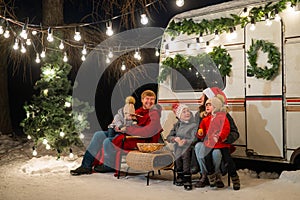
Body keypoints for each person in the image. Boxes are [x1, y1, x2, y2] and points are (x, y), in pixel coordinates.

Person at [70, 90, 161, 175]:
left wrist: (127, 129)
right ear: (142, 100)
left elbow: (148, 131)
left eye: (152, 99)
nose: (149, 101)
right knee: (98, 135)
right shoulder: (138, 111)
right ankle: (86, 166)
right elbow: (129, 121)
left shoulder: (154, 114)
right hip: (129, 133)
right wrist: (117, 125)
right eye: (147, 99)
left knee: (108, 141)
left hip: (140, 139)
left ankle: (109, 165)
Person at [194, 87, 239, 188]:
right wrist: (199, 135)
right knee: (198, 147)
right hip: (206, 142)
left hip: (219, 142)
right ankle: (204, 174)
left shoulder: (224, 116)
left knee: (216, 152)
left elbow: (234, 132)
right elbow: (197, 131)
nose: (200, 99)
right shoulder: (200, 115)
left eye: (203, 96)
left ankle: (217, 174)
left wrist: (223, 139)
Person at [167, 103, 198, 190]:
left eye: (188, 111)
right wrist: (175, 139)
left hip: (189, 146)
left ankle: (187, 177)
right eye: (184, 112)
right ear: (179, 115)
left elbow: (194, 138)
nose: (187, 113)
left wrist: (186, 141)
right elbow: (169, 137)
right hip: (178, 146)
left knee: (185, 154)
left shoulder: (193, 125)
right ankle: (180, 174)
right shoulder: (177, 125)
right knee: (178, 154)